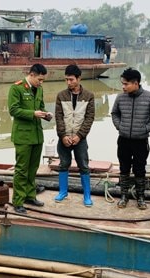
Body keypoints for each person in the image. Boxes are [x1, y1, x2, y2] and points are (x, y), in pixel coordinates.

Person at [111, 67, 150, 210]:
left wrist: (146, 129)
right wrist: (119, 126)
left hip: (140, 141)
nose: (123, 87)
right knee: (123, 168)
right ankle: (124, 196)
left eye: (126, 84)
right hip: (123, 140)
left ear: (136, 83)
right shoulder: (120, 97)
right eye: (122, 83)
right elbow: (114, 114)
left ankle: (141, 197)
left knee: (140, 169)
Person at [8, 63, 50, 214]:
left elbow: (41, 106)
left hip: (37, 135)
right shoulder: (17, 88)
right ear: (32, 75)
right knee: (21, 169)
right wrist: (32, 113)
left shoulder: (39, 89)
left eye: (43, 80)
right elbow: (13, 110)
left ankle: (30, 196)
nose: (41, 82)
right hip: (23, 136)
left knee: (33, 169)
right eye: (40, 79)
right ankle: (18, 201)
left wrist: (45, 114)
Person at [53, 65, 95, 207]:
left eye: (71, 79)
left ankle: (87, 195)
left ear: (79, 79)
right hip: (64, 138)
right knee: (64, 164)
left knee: (83, 165)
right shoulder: (61, 95)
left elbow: (89, 118)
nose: (68, 82)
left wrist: (80, 135)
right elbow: (58, 117)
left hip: (80, 138)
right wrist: (63, 136)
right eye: (66, 80)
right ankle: (63, 192)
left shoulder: (89, 96)